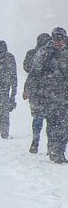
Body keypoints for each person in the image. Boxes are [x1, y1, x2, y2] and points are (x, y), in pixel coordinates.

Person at [34, 28, 68, 164]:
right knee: (53, 124)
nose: (59, 43)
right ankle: (54, 150)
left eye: (62, 40)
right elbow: (35, 74)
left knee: (64, 126)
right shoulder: (45, 53)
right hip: (49, 96)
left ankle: (60, 150)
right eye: (57, 40)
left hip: (65, 97)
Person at [24, 32, 53, 153]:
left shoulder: (32, 53)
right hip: (51, 91)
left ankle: (35, 142)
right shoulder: (53, 54)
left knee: (38, 117)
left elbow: (27, 68)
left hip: (36, 91)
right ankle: (50, 145)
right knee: (52, 120)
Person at [0, 40, 18, 139]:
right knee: (4, 111)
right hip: (4, 87)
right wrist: (13, 94)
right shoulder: (10, 58)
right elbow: (14, 76)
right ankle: (4, 133)